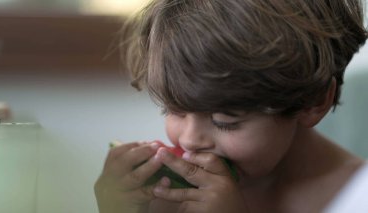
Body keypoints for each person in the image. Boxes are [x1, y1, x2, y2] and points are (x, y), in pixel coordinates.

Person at [94, 0, 368, 212]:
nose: (189, 139)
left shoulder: (359, 198)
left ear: (312, 101)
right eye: (174, 109)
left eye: (225, 120)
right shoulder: (170, 196)